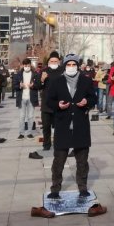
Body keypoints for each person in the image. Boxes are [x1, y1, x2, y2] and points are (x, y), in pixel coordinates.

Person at [45, 54, 97, 199]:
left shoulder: (86, 81)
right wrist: (58, 105)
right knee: (59, 160)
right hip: (63, 124)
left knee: (82, 160)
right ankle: (55, 188)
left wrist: (87, 101)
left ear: (78, 66)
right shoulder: (57, 81)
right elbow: (49, 100)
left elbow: (94, 98)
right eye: (69, 64)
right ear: (65, 66)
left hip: (81, 125)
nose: (71, 67)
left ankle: (83, 187)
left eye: (74, 64)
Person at [40, 52, 64, 150]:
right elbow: (37, 85)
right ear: (48, 62)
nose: (53, 63)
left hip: (59, 103)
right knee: (46, 126)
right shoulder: (44, 71)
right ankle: (46, 144)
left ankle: (58, 143)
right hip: (46, 103)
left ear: (59, 62)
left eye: (55, 61)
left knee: (58, 126)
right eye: (52, 61)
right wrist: (42, 79)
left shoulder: (63, 71)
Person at [14, 58, 41, 139]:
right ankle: (21, 133)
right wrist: (19, 86)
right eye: (25, 65)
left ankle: (29, 133)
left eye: (28, 65)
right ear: (23, 65)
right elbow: (14, 86)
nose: (27, 67)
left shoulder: (35, 74)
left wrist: (33, 86)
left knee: (30, 116)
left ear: (30, 65)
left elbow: (39, 86)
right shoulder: (18, 74)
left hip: (31, 98)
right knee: (22, 116)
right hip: (22, 98)